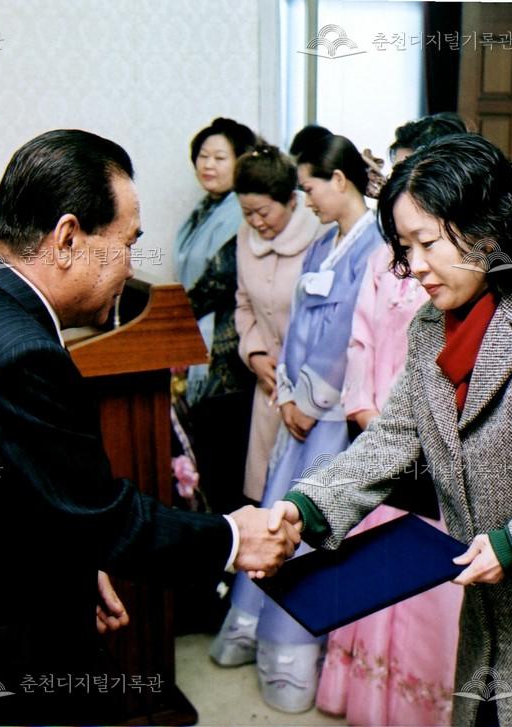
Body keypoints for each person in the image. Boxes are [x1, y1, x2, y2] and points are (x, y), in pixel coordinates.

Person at [0, 130, 300, 724]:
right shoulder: (23, 354)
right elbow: (101, 516)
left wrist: (71, 560)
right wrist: (232, 537)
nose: (130, 265)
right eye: (127, 243)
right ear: (68, 239)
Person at [271, 134, 512, 727]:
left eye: (427, 242)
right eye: (404, 247)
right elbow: (392, 437)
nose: (414, 267)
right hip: (490, 622)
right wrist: (306, 507)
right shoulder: (432, 328)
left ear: (487, 231)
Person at [211, 134, 380, 712]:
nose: (307, 200)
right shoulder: (325, 242)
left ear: (340, 181)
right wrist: (286, 390)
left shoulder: (374, 245)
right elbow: (298, 327)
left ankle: (295, 653)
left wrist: (307, 400)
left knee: (311, 528)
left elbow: (345, 334)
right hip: (296, 405)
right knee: (279, 514)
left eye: (310, 188)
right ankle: (255, 629)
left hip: (330, 413)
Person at [317, 113, 469, 726]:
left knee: (429, 588)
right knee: (373, 569)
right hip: (382, 430)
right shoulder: (386, 259)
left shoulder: (463, 268)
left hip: (437, 446)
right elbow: (359, 338)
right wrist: (365, 411)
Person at [231, 143, 327, 505]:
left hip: (313, 390)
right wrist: (255, 354)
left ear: (291, 200)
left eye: (263, 212)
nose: (256, 222)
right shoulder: (245, 236)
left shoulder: (322, 232)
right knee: (264, 498)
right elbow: (243, 303)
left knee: (307, 499)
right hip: (268, 385)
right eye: (247, 213)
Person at [172, 117, 257, 514]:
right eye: (203, 156)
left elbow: (216, 283)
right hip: (196, 342)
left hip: (227, 356)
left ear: (241, 161)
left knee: (223, 458)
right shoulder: (204, 210)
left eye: (220, 157)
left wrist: (172, 318)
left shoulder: (241, 213)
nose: (208, 164)